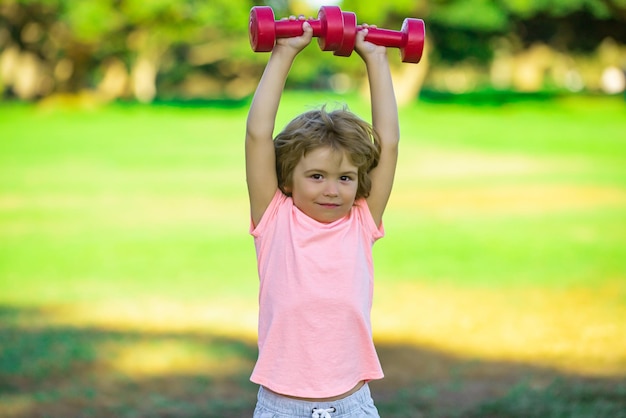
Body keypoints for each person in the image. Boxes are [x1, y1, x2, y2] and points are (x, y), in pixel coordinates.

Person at [245, 15, 400, 418]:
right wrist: (284, 53)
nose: (332, 189)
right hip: (282, 406)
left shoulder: (361, 221)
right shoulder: (275, 218)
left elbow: (391, 143)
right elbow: (258, 135)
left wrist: (376, 60)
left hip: (351, 403)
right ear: (288, 179)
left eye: (345, 178)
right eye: (316, 176)